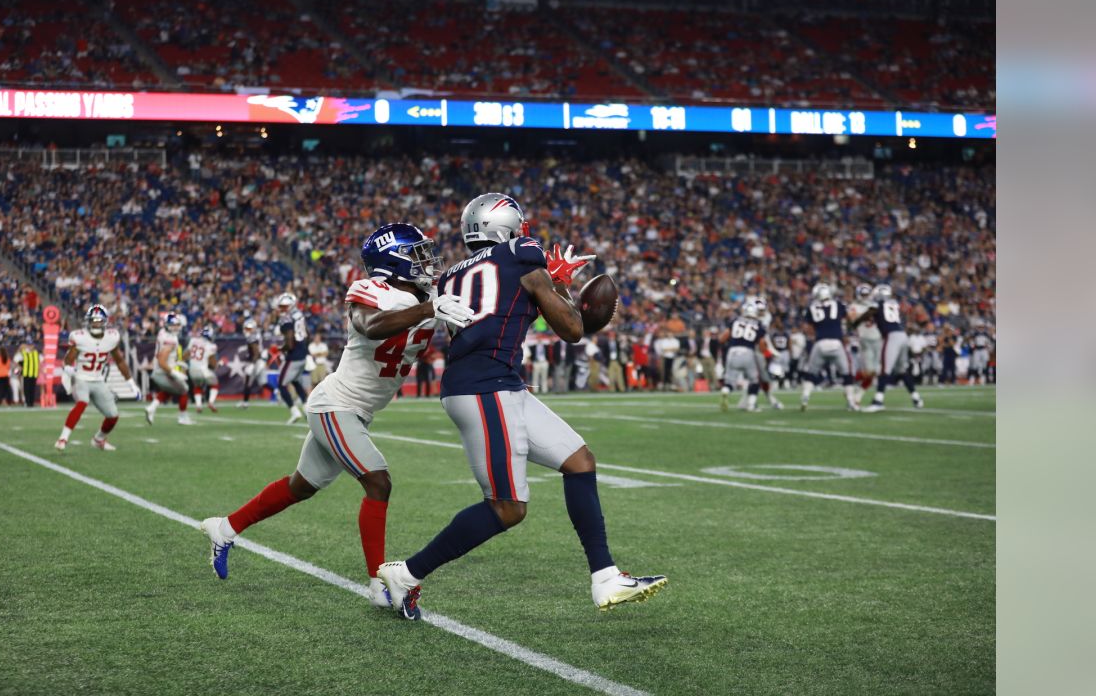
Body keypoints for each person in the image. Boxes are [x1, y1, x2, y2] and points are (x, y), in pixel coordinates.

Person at [376, 193, 666, 621]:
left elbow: (505, 308)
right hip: (484, 388)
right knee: (507, 507)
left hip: (495, 383)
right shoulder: (522, 254)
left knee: (580, 461)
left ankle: (605, 576)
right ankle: (408, 573)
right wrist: (558, 285)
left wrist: (551, 282)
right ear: (507, 226)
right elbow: (571, 330)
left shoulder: (452, 274)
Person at [199, 223, 474, 606]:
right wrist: (429, 308)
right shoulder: (371, 290)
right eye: (415, 253)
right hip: (336, 405)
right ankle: (380, 583)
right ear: (392, 259)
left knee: (302, 486)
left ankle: (225, 527)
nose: (424, 261)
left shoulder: (433, 294)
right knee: (378, 482)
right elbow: (370, 325)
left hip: (357, 411)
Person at [55, 305, 141, 451]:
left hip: (98, 380)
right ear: (88, 322)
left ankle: (98, 440)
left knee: (113, 415)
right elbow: (68, 359)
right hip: (81, 377)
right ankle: (63, 438)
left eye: (99, 321)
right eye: (93, 321)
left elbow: (119, 361)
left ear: (105, 322)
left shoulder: (111, 338)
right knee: (82, 402)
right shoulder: (79, 337)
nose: (96, 324)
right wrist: (68, 369)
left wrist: (131, 383)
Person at [855, 284, 925, 412]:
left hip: (891, 337)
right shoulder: (895, 303)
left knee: (884, 370)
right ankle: (917, 398)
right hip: (902, 336)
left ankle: (878, 401)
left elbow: (867, 315)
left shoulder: (877, 305)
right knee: (902, 371)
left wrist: (855, 321)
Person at [798, 283, 860, 411]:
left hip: (820, 343)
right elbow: (851, 318)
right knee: (846, 374)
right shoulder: (838, 304)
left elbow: (807, 328)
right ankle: (851, 401)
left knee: (811, 373)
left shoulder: (812, 308)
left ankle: (805, 396)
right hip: (837, 343)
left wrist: (815, 334)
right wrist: (847, 331)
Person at [719, 302, 771, 412]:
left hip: (732, 352)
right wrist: (764, 352)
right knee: (754, 381)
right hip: (748, 352)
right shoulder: (758, 323)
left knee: (729, 381)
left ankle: (725, 390)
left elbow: (722, 338)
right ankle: (751, 405)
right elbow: (762, 344)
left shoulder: (735, 321)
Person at [145, 313, 193, 425]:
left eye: (177, 325)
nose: (175, 327)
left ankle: (151, 408)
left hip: (160, 370)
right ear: (167, 325)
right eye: (172, 325)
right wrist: (175, 373)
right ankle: (183, 417)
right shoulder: (170, 339)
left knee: (169, 390)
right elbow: (162, 361)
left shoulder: (163, 332)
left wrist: (177, 363)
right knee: (184, 389)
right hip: (164, 371)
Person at [273, 292, 311, 424]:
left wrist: (280, 349)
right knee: (295, 381)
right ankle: (307, 410)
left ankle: (294, 411)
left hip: (294, 355)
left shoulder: (287, 318)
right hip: (302, 353)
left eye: (285, 306)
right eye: (281, 306)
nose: (283, 308)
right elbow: (307, 333)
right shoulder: (299, 315)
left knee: (281, 384)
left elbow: (289, 341)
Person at [234, 318, 267, 408]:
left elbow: (255, 351)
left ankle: (245, 403)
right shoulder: (256, 334)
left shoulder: (252, 336)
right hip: (260, 360)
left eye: (248, 328)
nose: (246, 330)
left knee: (248, 381)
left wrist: (253, 362)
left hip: (256, 361)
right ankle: (276, 391)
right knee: (262, 383)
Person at [188, 325, 221, 413]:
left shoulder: (193, 341)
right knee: (215, 383)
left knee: (197, 386)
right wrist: (218, 365)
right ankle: (211, 402)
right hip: (202, 370)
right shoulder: (211, 345)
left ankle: (198, 406)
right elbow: (212, 363)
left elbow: (187, 354)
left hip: (192, 369)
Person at [17, 341, 41, 408]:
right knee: (26, 389)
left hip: (34, 373)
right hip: (26, 374)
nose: (30, 346)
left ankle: (31, 402)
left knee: (32, 389)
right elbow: (19, 349)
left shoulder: (36, 353)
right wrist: (25, 346)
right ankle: (27, 402)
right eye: (29, 345)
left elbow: (39, 363)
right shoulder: (24, 352)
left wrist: (39, 372)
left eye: (31, 345)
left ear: (33, 346)